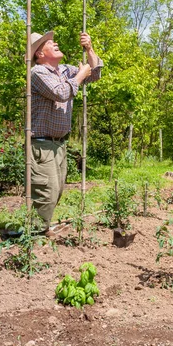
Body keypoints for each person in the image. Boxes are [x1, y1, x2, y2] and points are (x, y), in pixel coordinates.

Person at [29, 30, 103, 236]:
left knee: (57, 189)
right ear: (40, 54)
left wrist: (89, 49)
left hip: (59, 143)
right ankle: (35, 234)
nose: (55, 44)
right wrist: (79, 76)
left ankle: (40, 229)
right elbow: (61, 92)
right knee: (46, 190)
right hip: (42, 144)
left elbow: (94, 74)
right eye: (49, 43)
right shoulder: (38, 73)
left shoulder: (62, 70)